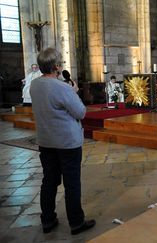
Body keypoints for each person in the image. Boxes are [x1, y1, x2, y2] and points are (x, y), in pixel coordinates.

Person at [29, 48, 95, 235]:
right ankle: (76, 222)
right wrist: (73, 91)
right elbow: (80, 112)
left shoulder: (35, 84)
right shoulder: (62, 87)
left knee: (49, 181)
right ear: (57, 67)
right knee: (72, 183)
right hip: (67, 142)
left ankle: (48, 220)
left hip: (46, 141)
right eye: (60, 63)